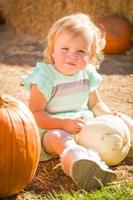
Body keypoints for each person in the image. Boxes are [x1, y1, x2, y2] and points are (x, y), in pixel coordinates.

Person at [22, 13, 133, 191]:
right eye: (65, 49)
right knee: (61, 138)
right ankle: (78, 164)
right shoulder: (45, 77)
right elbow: (35, 114)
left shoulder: (87, 74)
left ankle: (113, 148)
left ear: (90, 56)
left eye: (80, 51)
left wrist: (107, 114)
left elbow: (96, 103)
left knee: (122, 120)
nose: (72, 56)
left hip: (85, 128)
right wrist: (63, 123)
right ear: (52, 50)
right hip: (51, 130)